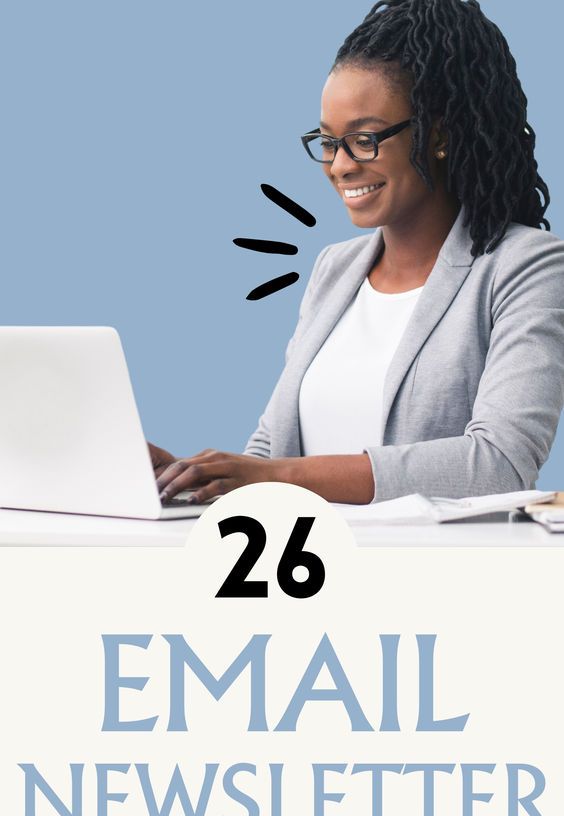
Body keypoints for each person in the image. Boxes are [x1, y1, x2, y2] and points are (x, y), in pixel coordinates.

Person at [154, 0, 564, 506]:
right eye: (328, 142)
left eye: (364, 139)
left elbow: (499, 464)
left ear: (438, 135)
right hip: (310, 570)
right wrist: (186, 477)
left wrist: (277, 476)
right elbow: (269, 454)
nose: (340, 165)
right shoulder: (335, 268)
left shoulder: (526, 267)